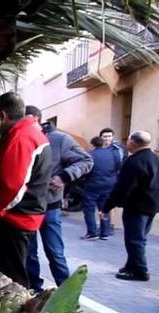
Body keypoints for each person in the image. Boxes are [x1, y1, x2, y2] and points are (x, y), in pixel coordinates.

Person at [24, 106, 92, 292]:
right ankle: (34, 290)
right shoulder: (21, 137)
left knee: (54, 252)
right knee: (29, 253)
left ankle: (67, 294)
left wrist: (64, 176)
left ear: (36, 118)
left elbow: (86, 161)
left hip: (50, 205)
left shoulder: (59, 139)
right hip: (27, 206)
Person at [0, 93, 53, 288]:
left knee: (14, 278)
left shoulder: (22, 137)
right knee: (20, 269)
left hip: (17, 217)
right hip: (26, 214)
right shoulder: (30, 132)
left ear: (2, 116)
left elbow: (13, 185)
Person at [103, 131, 159, 282]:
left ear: (132, 143)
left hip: (137, 206)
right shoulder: (156, 158)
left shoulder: (134, 161)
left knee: (135, 240)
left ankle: (140, 271)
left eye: (128, 140)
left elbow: (123, 188)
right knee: (139, 237)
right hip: (151, 205)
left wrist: (107, 206)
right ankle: (131, 265)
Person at [81, 136, 121, 240]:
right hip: (109, 184)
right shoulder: (112, 153)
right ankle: (105, 232)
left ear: (92, 144)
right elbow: (117, 166)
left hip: (93, 184)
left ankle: (92, 232)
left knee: (89, 209)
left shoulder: (90, 155)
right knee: (104, 208)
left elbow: (85, 170)